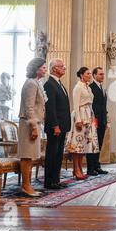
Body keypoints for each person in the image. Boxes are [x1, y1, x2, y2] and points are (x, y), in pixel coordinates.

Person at [17, 58, 47, 197]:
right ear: (36, 69)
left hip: (33, 123)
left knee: (30, 156)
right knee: (27, 156)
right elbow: (29, 107)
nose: (45, 69)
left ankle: (27, 185)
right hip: (28, 124)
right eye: (43, 67)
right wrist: (33, 127)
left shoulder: (36, 83)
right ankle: (26, 186)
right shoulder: (30, 83)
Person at [66, 67, 99, 178]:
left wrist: (93, 118)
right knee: (77, 145)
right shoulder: (78, 87)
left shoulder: (87, 87)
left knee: (83, 145)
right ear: (81, 75)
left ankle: (80, 168)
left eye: (90, 74)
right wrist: (78, 120)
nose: (89, 75)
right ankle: (76, 169)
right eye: (87, 74)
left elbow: (90, 103)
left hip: (88, 115)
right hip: (80, 115)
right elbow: (75, 104)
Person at [44, 59, 71, 189]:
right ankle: (49, 181)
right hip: (55, 126)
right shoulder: (49, 84)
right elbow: (50, 108)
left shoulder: (59, 83)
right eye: (62, 66)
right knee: (52, 154)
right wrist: (55, 125)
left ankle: (56, 180)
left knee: (58, 154)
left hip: (62, 125)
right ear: (54, 69)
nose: (64, 68)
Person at [89, 67, 108, 175]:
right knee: (92, 144)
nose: (102, 76)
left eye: (103, 74)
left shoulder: (102, 88)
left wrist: (105, 120)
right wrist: (94, 120)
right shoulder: (90, 87)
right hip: (94, 120)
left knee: (99, 144)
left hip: (102, 120)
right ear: (94, 75)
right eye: (100, 74)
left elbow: (103, 106)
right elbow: (92, 106)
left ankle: (97, 166)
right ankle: (90, 168)